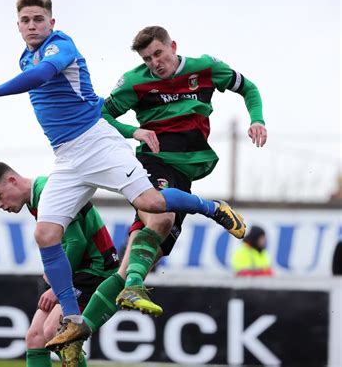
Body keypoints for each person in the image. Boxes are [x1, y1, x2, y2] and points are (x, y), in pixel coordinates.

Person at [0, 0, 244, 351]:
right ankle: (74, 319)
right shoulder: (25, 56)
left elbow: (44, 75)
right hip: (67, 157)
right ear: (18, 26)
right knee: (45, 235)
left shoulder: (59, 47)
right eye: (25, 21)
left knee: (153, 203)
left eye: (38, 19)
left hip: (96, 143)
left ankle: (212, 208)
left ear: (51, 23)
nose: (32, 25)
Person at [100, 25, 267, 311]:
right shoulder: (133, 82)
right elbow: (100, 116)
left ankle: (84, 328)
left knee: (140, 260)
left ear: (173, 46)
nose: (155, 63)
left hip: (184, 174)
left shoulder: (205, 68)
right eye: (147, 59)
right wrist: (133, 131)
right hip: (154, 161)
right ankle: (212, 208)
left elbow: (248, 88)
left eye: (158, 54)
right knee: (160, 215)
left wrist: (257, 119)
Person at [0, 161, 121, 367]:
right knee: (35, 337)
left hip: (95, 270)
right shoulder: (37, 199)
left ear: (12, 180)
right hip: (77, 271)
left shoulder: (49, 193)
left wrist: (57, 287)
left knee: (55, 331)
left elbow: (76, 242)